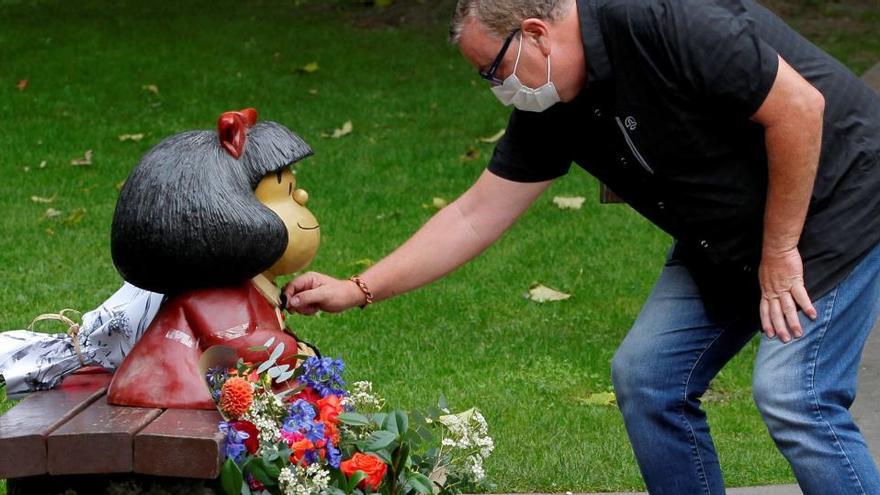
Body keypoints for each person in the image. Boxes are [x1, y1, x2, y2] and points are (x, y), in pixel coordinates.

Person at [283, 0, 880, 493]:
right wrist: (358, 289)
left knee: (793, 396)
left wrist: (779, 254)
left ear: (536, 33)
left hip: (837, 195)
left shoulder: (660, 20)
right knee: (648, 377)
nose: (495, 87)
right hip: (724, 232)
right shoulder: (551, 98)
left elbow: (802, 109)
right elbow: (473, 215)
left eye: (493, 70)